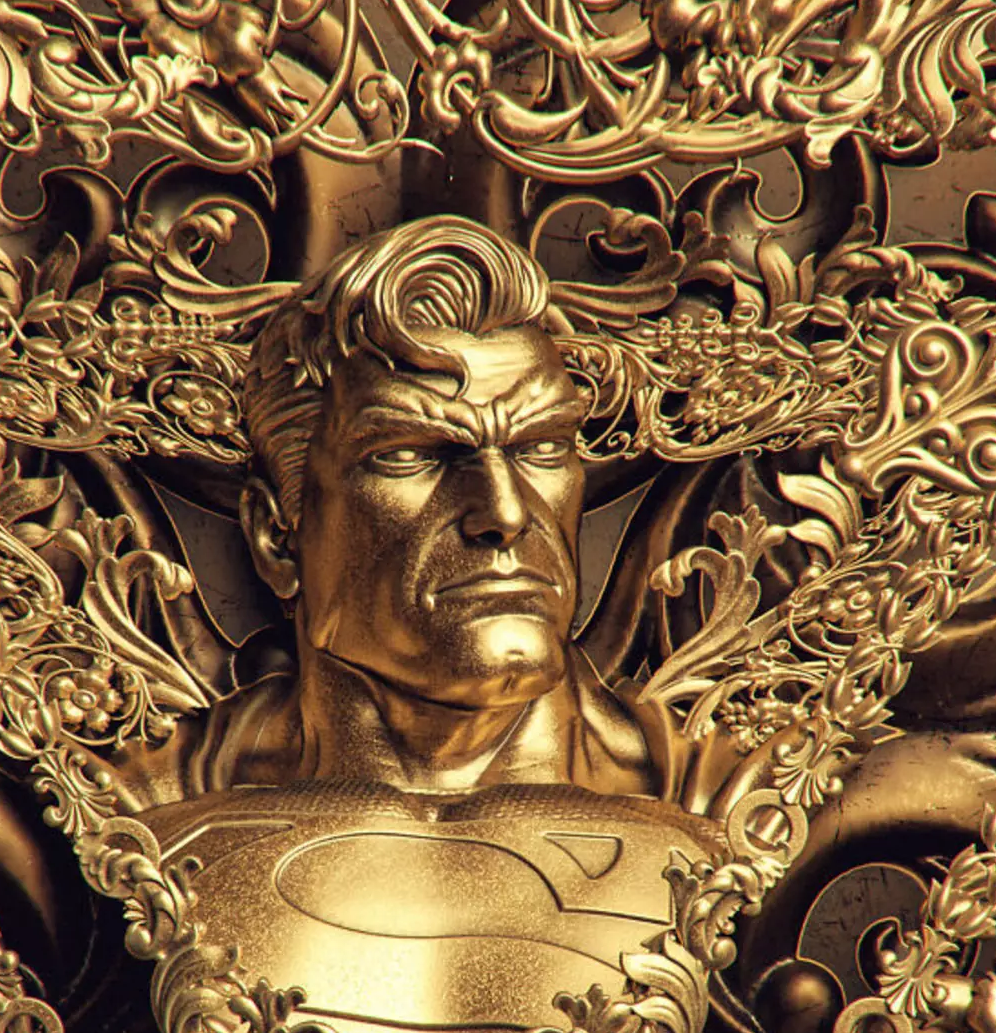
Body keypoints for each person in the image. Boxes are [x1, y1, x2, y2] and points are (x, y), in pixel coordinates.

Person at [167, 213, 698, 801]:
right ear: (276, 538)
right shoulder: (135, 808)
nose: (505, 514)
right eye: (408, 455)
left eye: (542, 447)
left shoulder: (721, 796)